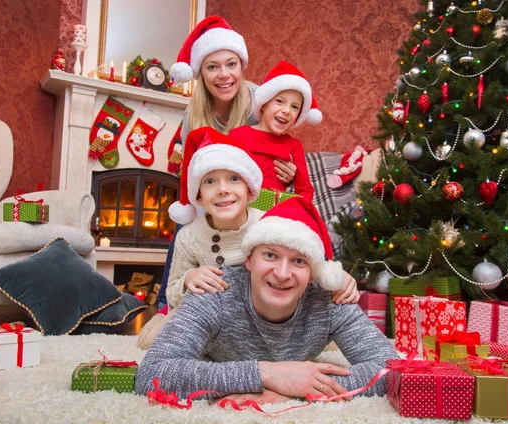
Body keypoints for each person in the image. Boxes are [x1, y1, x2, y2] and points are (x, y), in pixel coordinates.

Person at [135, 196, 398, 403]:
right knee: (156, 335)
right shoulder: (215, 291)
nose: (282, 274)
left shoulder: (328, 299)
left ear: (313, 274)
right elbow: (151, 376)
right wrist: (268, 374)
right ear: (249, 259)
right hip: (195, 321)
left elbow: (393, 371)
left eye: (298, 261)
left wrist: (298, 389)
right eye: (270, 255)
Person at [136, 128, 359, 349]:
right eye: (210, 181)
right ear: (199, 195)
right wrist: (188, 278)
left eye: (234, 179)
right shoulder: (189, 236)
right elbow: (172, 291)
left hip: (258, 312)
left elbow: (303, 258)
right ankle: (136, 308)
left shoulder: (269, 224)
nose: (223, 189)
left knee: (325, 344)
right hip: (211, 311)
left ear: (250, 189)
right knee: (151, 341)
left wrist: (339, 278)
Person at [157, 16, 298, 307]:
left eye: (231, 64)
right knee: (186, 232)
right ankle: (165, 306)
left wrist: (292, 171)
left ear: (241, 66)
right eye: (212, 66)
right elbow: (188, 175)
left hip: (255, 201)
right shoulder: (191, 117)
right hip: (210, 200)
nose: (224, 75)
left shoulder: (260, 100)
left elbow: (282, 143)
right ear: (200, 74)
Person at [229, 61, 321, 202]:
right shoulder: (238, 135)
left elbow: (305, 190)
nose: (286, 111)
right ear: (264, 104)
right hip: (238, 207)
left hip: (272, 213)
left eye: (295, 107)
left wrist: (301, 212)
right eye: (279, 101)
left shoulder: (293, 146)